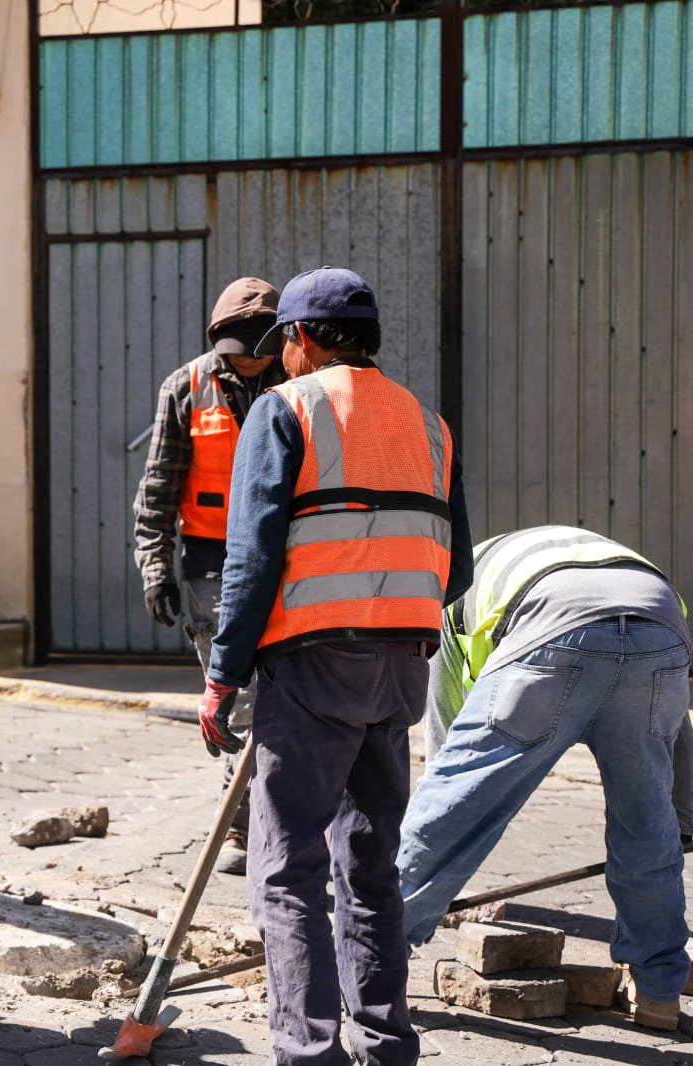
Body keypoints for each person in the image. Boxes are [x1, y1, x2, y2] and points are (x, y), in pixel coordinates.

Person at [200, 266, 473, 1066]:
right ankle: (387, 1045)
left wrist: (222, 677)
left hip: (312, 668)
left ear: (302, 340)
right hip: (398, 674)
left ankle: (309, 1051)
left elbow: (250, 563)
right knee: (371, 867)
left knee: (286, 872)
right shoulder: (430, 426)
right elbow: (454, 571)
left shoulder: (285, 411)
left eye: (285, 342)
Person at [396, 525, 693, 1031]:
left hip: (551, 624)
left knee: (450, 807)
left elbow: (448, 762)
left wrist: (444, 858)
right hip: (660, 622)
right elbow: (677, 737)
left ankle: (370, 963)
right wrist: (680, 826)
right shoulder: (582, 556)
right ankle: (659, 995)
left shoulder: (448, 593)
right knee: (647, 826)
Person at [133, 276, 286, 877]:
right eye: (237, 350)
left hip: (286, 558)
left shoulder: (298, 383)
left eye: (258, 349)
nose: (248, 361)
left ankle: (265, 818)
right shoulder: (187, 387)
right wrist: (155, 568)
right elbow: (158, 489)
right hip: (212, 565)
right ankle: (243, 828)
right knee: (239, 697)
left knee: (289, 696)